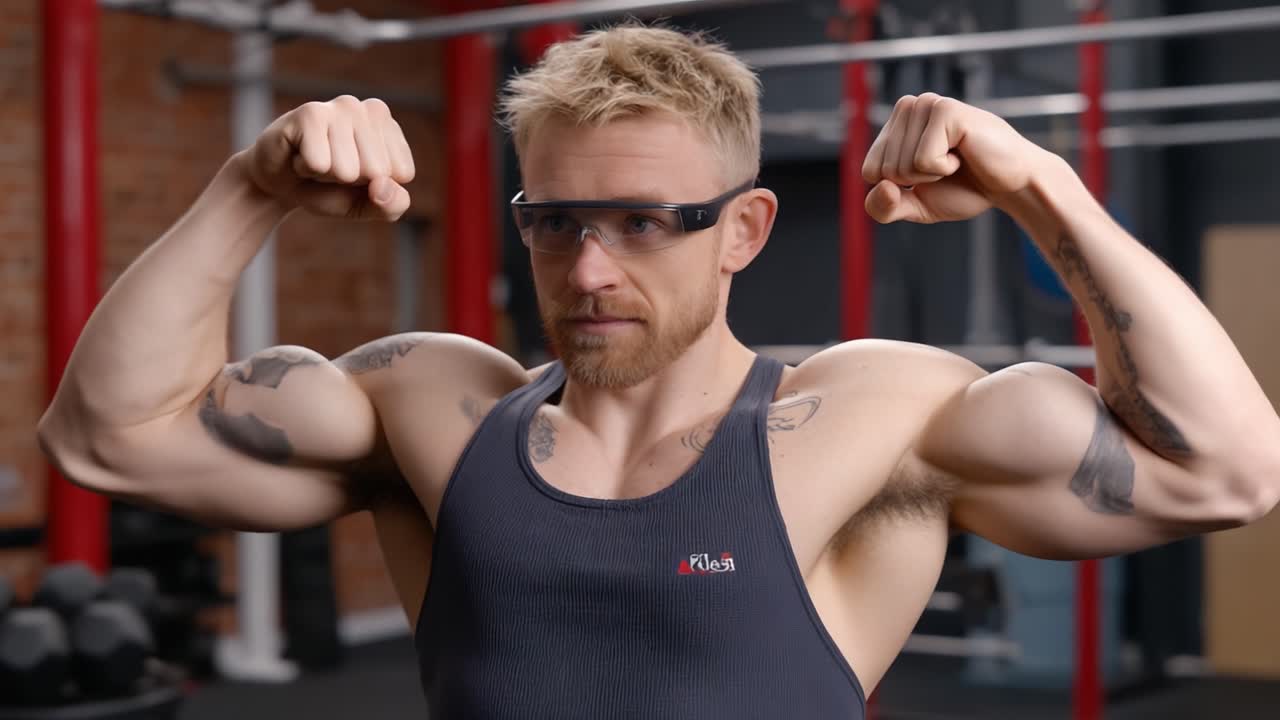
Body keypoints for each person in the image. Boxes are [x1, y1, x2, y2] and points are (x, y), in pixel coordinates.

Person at [38, 24, 1280, 719]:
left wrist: (1038, 187)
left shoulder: (871, 416)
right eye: (553, 222)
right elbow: (109, 437)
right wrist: (247, 189)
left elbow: (1226, 472)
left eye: (642, 224)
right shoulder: (435, 406)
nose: (585, 273)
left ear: (741, 231)